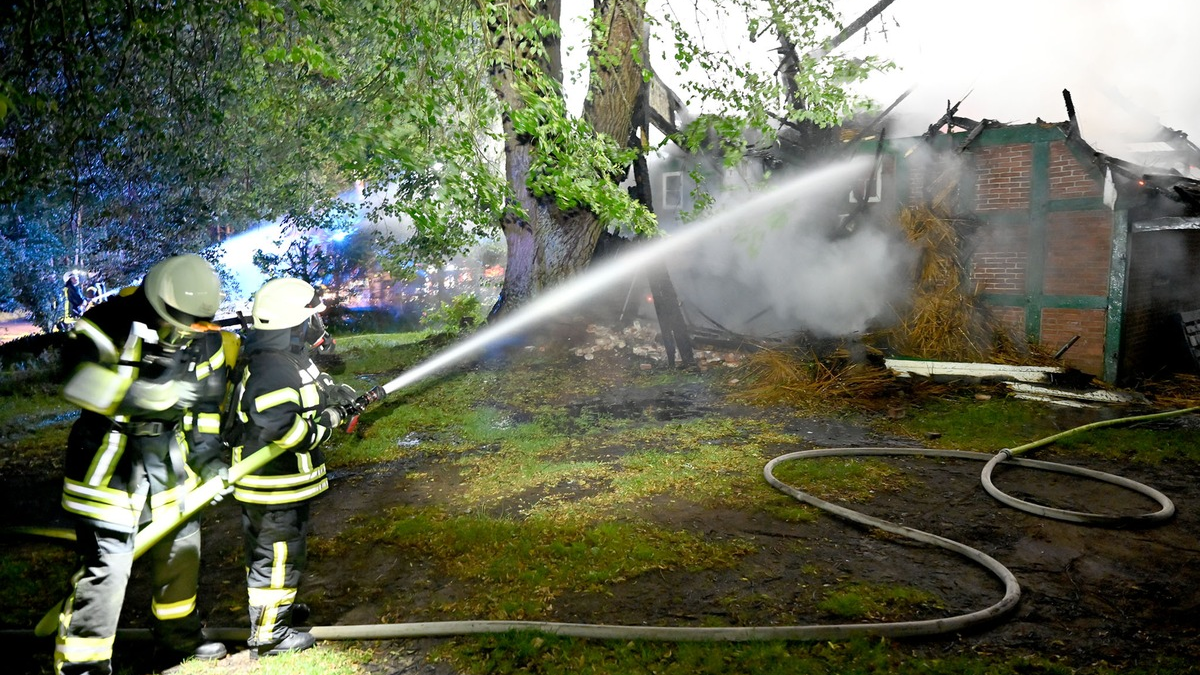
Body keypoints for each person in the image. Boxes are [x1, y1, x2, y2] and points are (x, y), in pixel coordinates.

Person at [54, 253, 231, 675]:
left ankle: (177, 642)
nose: (188, 328)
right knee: (107, 566)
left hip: (168, 464)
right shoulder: (109, 320)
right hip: (109, 462)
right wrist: (140, 397)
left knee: (182, 548)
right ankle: (83, 665)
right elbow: (76, 379)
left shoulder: (205, 338)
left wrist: (210, 462)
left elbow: (205, 410)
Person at [225, 277, 352, 658]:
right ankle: (269, 635)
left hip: (278, 484)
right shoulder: (273, 369)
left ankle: (274, 610)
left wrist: (334, 393)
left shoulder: (284, 359)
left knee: (275, 555)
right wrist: (323, 428)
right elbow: (279, 426)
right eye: (312, 318)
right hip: (273, 484)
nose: (318, 325)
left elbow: (307, 383)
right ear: (294, 324)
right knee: (277, 554)